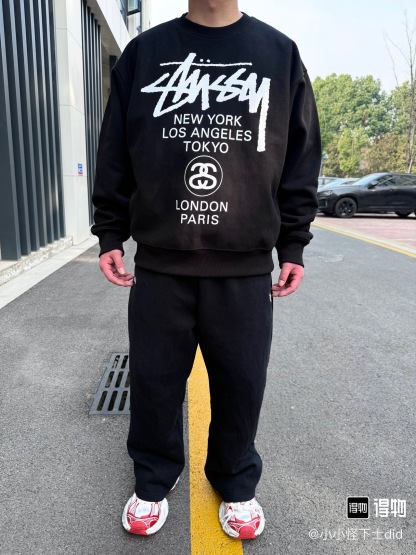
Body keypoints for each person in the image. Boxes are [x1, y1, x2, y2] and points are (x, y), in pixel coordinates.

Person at [91, 0, 321, 540]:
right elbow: (115, 151)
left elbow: (300, 157)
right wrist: (109, 232)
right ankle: (154, 475)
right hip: (161, 263)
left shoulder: (279, 55)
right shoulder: (144, 54)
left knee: (242, 384)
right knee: (154, 383)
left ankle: (235, 478)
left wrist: (293, 243)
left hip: (243, 268)